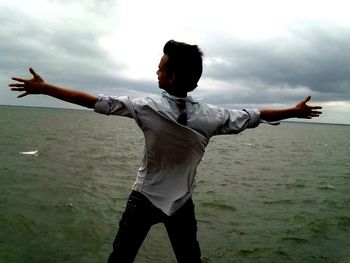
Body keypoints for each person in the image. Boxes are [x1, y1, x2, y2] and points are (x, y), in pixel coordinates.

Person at [9, 40, 322, 263]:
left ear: (171, 77)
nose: (156, 72)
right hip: (181, 203)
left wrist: (46, 88)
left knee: (120, 258)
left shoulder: (147, 108)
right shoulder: (212, 116)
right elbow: (257, 114)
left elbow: (94, 101)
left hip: (143, 201)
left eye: (160, 69)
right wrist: (293, 111)